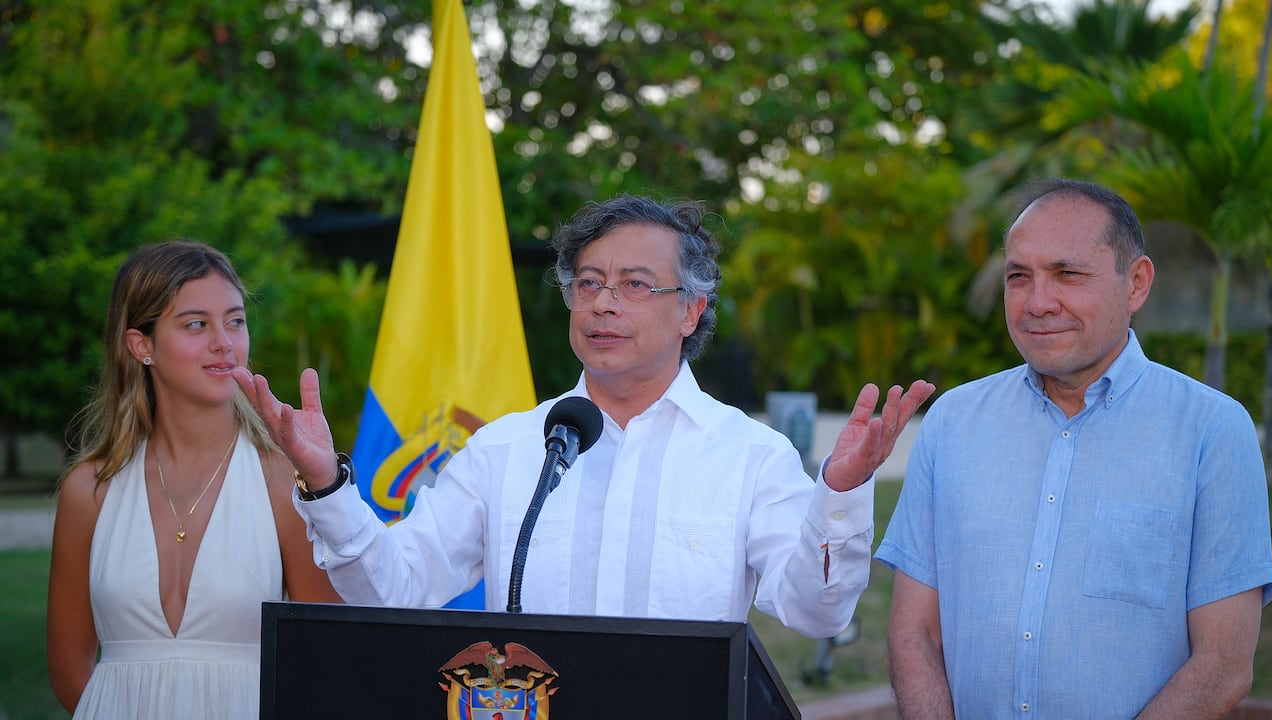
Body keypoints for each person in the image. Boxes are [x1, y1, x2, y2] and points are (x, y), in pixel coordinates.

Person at [234, 194, 934, 638]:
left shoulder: (748, 454)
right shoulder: (507, 448)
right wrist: (328, 484)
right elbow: (392, 587)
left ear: (691, 309)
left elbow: (817, 614)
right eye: (589, 284)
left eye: (634, 286)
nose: (603, 303)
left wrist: (839, 495)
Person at [875, 178, 1272, 718]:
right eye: (1019, 277)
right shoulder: (953, 420)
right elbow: (913, 633)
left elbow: (1224, 666)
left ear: (1136, 284)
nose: (1038, 302)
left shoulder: (1213, 431)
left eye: (1068, 274)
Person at [46, 240, 341, 719]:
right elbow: (67, 666)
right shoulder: (90, 490)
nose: (224, 342)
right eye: (197, 324)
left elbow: (326, 651)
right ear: (142, 345)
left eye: (236, 320)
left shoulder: (281, 477)